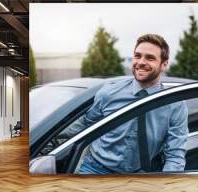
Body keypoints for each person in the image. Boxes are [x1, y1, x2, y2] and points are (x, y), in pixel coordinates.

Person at [63, 34, 188, 174]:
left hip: (141, 176)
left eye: (150, 58)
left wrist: (166, 185)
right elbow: (86, 123)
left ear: (164, 64)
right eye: (137, 56)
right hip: (95, 169)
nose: (141, 62)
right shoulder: (110, 92)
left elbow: (175, 155)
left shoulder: (175, 104)